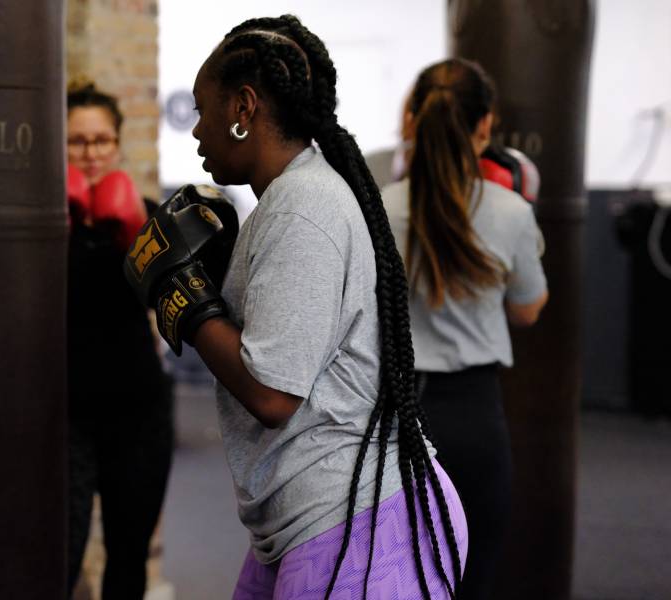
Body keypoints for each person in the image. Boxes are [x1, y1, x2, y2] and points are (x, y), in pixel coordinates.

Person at [124, 15, 467, 599]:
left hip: (355, 521)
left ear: (244, 107)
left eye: (205, 111)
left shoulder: (303, 208)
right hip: (315, 517)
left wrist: (184, 298)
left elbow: (272, 394)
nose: (198, 132)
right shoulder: (287, 200)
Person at [380, 58, 549, 599]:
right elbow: (528, 310)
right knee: (469, 584)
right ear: (485, 126)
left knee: (396, 582)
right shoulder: (510, 210)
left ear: (411, 123)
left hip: (395, 417)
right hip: (474, 418)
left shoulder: (378, 208)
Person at [65, 81, 173, 599]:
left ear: (117, 143)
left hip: (136, 410)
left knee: (129, 561)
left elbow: (164, 304)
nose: (90, 153)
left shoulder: (145, 214)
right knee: (57, 554)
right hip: (61, 413)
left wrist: (131, 229)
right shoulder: (38, 221)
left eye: (100, 140)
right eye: (76, 141)